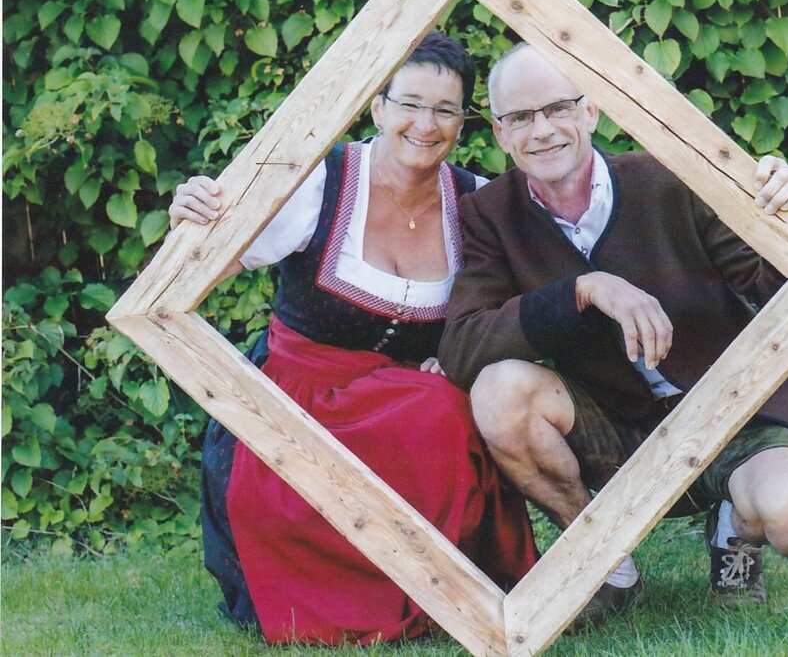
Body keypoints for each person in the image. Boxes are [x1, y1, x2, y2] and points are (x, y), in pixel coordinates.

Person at [438, 43, 788, 629]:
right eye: (520, 117)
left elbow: (770, 284)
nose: (542, 130)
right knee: (499, 390)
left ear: (591, 111)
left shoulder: (670, 178)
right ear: (500, 133)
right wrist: (582, 291)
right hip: (616, 423)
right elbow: (462, 346)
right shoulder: (488, 213)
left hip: (739, 410)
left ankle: (734, 528)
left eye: (557, 108)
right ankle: (604, 562)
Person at [167, 33, 537, 646]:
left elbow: (524, 302)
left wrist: (462, 360)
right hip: (299, 399)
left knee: (444, 413)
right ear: (377, 107)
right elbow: (196, 271)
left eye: (445, 110)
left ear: (464, 121)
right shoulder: (319, 182)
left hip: (408, 407)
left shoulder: (475, 201)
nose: (426, 124)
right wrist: (191, 221)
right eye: (409, 103)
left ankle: (434, 589)